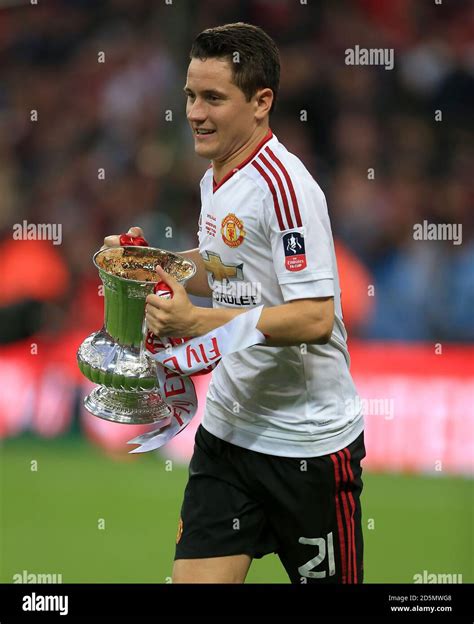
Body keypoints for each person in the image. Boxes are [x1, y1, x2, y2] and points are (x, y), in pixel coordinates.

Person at [104, 22, 365, 584]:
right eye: (190, 97)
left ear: (261, 102)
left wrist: (197, 322)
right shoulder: (218, 175)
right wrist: (153, 265)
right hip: (228, 434)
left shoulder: (287, 189)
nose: (195, 113)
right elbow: (225, 265)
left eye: (214, 98)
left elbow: (316, 317)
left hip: (308, 446)